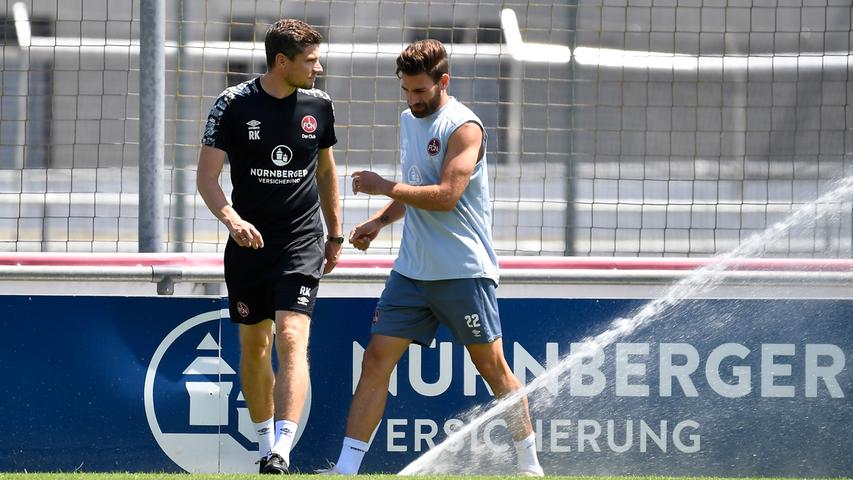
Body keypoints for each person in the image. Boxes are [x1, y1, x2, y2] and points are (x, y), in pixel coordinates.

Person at [328, 39, 544, 476]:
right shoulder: (409, 120)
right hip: (411, 272)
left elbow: (445, 196)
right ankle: (345, 471)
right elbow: (417, 186)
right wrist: (381, 221)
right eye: (406, 90)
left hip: (463, 271)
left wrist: (383, 186)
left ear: (443, 81)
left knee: (494, 370)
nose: (412, 99)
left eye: (421, 91)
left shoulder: (465, 127)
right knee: (375, 360)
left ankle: (529, 465)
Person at [196, 19, 342, 475]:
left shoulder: (320, 104)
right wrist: (233, 220)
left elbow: (325, 173)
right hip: (248, 243)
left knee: (292, 337)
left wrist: (334, 235)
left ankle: (282, 448)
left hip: (301, 240)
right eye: (311, 60)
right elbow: (206, 177)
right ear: (283, 61)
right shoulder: (232, 105)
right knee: (255, 345)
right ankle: (263, 445)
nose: (318, 68)